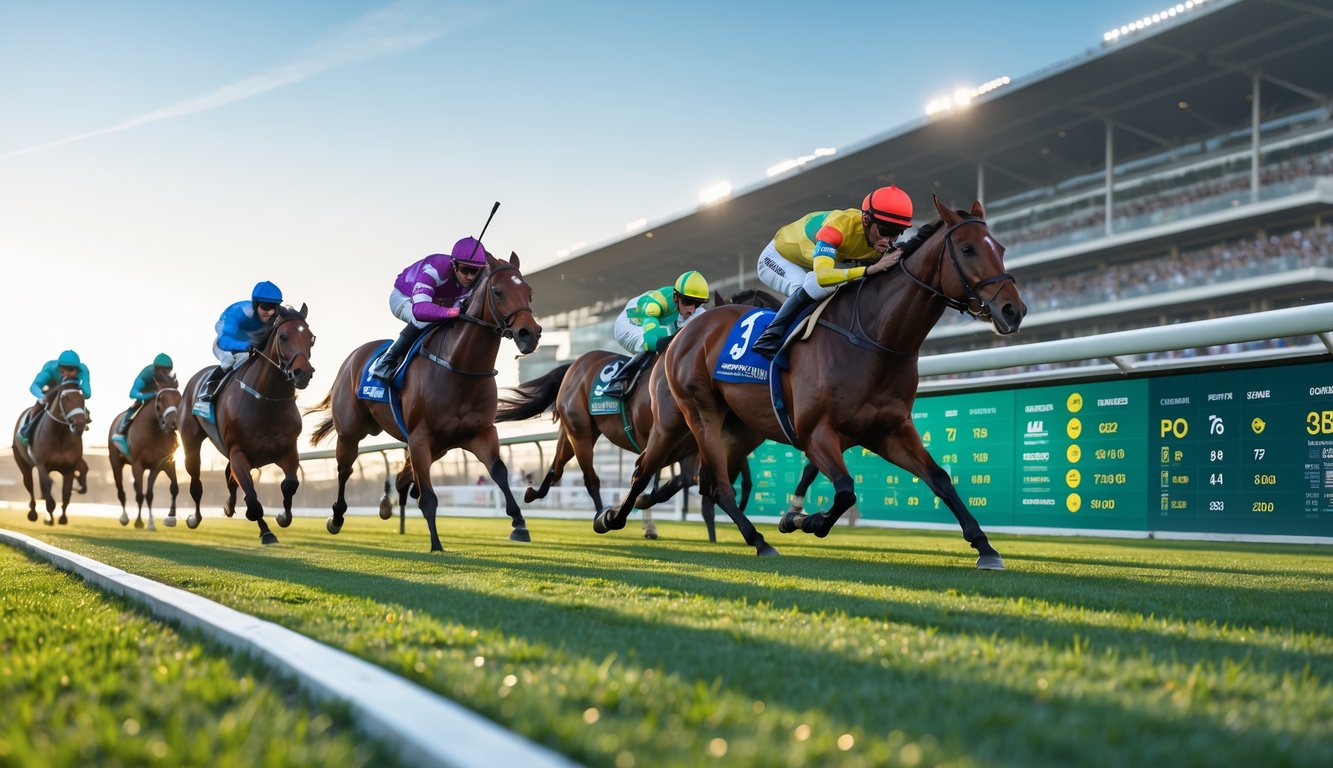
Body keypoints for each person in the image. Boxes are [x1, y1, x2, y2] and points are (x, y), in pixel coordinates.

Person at [750, 185, 914, 358]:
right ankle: (769, 337)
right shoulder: (837, 228)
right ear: (866, 220)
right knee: (817, 286)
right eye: (885, 231)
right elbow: (822, 276)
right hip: (778, 258)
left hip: (818, 261)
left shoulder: (881, 240)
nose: (888, 239)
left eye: (896, 233)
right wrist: (869, 269)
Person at [368, 236, 488, 380]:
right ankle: (386, 360)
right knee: (425, 321)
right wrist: (450, 312)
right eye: (465, 270)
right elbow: (419, 311)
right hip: (405, 297)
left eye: (475, 272)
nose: (470, 277)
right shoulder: (436, 269)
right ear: (454, 264)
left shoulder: (476, 280)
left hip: (439, 301)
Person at [600, 271, 710, 398]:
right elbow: (652, 339)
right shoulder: (656, 303)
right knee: (657, 340)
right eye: (687, 302)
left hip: (661, 320)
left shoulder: (695, 310)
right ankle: (620, 380)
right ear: (675, 298)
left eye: (697, 303)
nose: (691, 309)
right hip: (630, 323)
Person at [197, 281, 283, 406]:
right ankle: (207, 390)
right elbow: (224, 341)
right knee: (230, 361)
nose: (269, 312)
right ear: (255, 304)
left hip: (249, 342)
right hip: (225, 341)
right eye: (265, 307)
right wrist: (244, 346)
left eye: (273, 308)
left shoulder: (275, 316)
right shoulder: (238, 314)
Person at [19, 350, 92, 443]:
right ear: (59, 367)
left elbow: (87, 394)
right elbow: (34, 387)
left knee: (79, 406)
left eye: (72, 370)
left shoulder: (83, 370)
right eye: (64, 370)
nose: (68, 373)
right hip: (50, 392)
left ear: (77, 369)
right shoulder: (50, 369)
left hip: (69, 393)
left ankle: (79, 429)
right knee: (37, 408)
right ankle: (28, 431)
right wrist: (42, 397)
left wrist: (79, 386)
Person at [111, 353, 173, 454]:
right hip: (143, 397)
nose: (166, 374)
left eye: (168, 371)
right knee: (136, 407)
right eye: (164, 371)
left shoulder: (169, 377)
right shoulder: (147, 374)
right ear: (157, 370)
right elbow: (132, 393)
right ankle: (121, 431)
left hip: (159, 399)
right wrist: (150, 395)